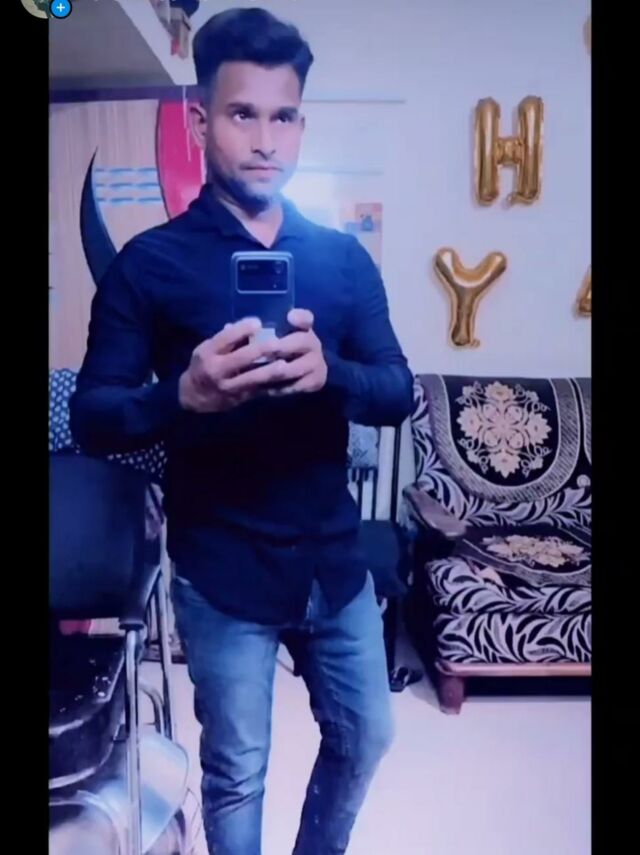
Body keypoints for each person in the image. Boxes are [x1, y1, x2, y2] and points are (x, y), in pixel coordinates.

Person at [71, 7, 414, 854]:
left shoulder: (341, 260)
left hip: (333, 556)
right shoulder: (148, 264)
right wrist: (181, 394)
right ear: (200, 122)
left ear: (302, 124)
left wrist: (332, 373)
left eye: (283, 116)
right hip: (220, 564)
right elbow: (93, 417)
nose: (266, 140)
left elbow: (398, 390)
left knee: (368, 734)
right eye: (242, 113)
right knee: (237, 770)